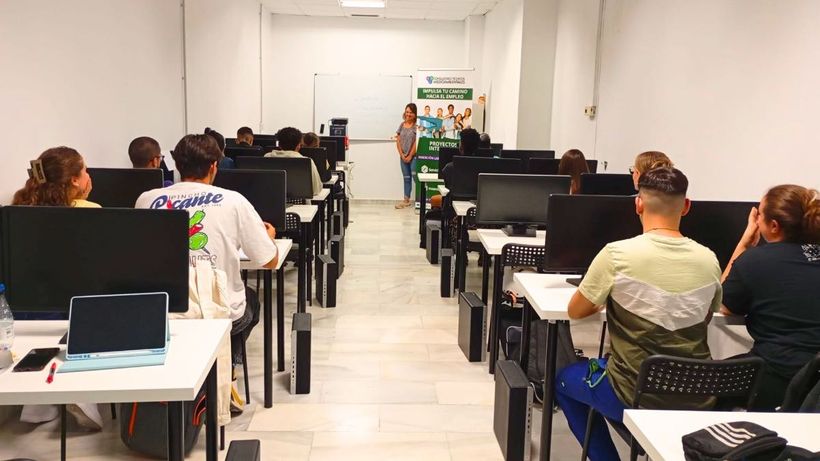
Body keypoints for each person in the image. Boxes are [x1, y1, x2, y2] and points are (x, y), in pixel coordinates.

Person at [555, 167, 722, 461]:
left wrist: (610, 299)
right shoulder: (709, 260)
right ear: (686, 206)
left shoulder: (616, 254)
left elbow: (576, 311)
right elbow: (705, 317)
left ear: (638, 203)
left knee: (565, 380)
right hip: (697, 394)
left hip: (633, 392)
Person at [136, 134, 279, 413]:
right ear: (215, 165)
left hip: (163, 314)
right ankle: (229, 371)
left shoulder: (146, 199)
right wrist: (269, 236)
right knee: (250, 300)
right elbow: (270, 262)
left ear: (176, 165)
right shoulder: (234, 201)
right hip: (216, 316)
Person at [12, 146, 104, 430]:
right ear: (75, 180)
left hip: (25, 310)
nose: (89, 177)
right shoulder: (91, 211)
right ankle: (81, 392)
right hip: (78, 310)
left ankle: (39, 405)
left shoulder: (17, 210)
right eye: (86, 171)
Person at [720, 184, 820, 410]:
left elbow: (723, 304)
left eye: (759, 215)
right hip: (815, 383)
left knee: (707, 381)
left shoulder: (755, 261)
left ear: (773, 226)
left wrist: (744, 244)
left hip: (774, 376)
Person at [13, 146, 99, 208]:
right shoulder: (91, 209)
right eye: (85, 170)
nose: (88, 175)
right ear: (75, 180)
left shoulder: (20, 207)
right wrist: (81, 200)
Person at [265, 127, 322, 196]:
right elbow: (316, 189)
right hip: (301, 205)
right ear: (299, 145)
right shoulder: (306, 161)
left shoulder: (267, 157)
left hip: (272, 203)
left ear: (279, 144)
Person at [395, 103, 418, 209]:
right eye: (407, 111)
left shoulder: (416, 126)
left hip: (413, 157)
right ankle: (406, 200)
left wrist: (410, 155)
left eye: (411, 112)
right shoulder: (401, 125)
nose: (408, 114)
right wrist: (402, 155)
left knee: (415, 177)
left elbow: (416, 143)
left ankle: (420, 200)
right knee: (406, 178)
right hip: (403, 156)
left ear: (414, 114)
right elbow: (398, 140)